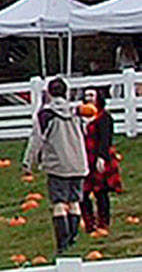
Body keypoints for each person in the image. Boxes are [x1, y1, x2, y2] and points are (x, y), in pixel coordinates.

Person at [22, 77, 88, 255]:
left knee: (59, 203)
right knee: (74, 201)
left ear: (49, 93)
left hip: (58, 164)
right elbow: (84, 133)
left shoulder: (46, 115)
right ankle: (73, 237)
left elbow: (37, 140)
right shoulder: (76, 112)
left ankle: (63, 242)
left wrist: (29, 163)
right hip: (78, 163)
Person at [81, 87, 123, 234]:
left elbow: (106, 139)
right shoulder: (81, 117)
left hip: (99, 156)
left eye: (91, 95)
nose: (88, 98)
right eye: (86, 95)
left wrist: (102, 157)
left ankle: (103, 223)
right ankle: (89, 223)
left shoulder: (104, 117)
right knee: (83, 193)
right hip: (84, 157)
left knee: (101, 192)